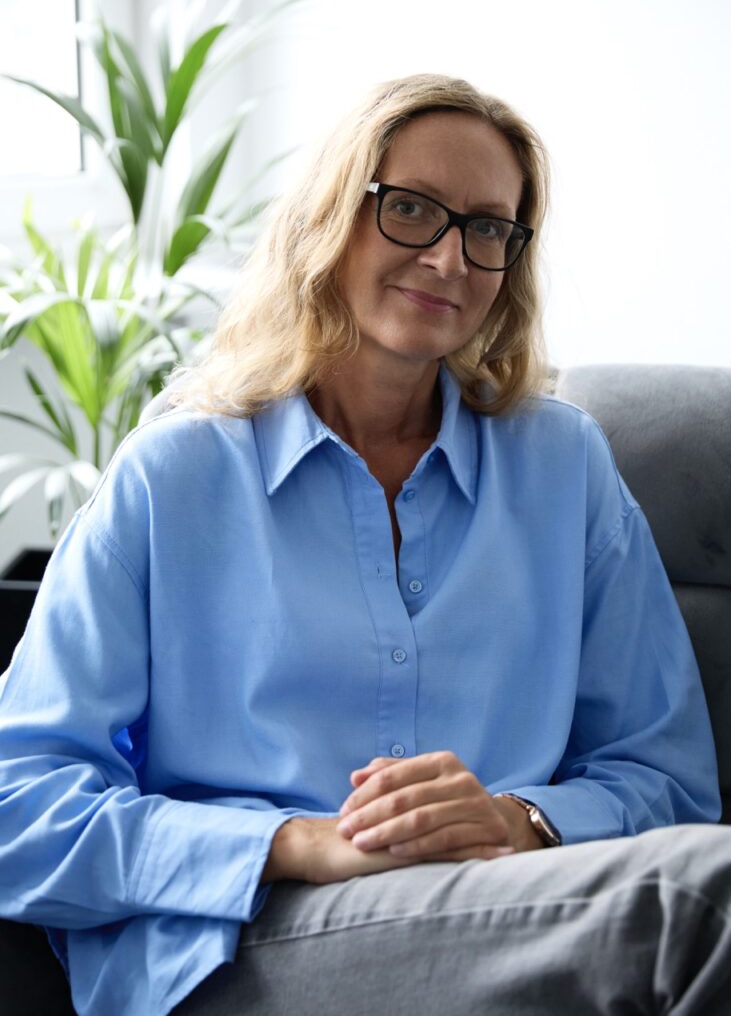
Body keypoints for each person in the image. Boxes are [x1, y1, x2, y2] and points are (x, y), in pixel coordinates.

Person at [0, 73, 728, 1016]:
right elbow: (20, 804)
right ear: (328, 219)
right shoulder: (172, 475)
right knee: (697, 901)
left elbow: (667, 778)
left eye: (487, 228)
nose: (450, 258)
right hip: (239, 936)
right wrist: (296, 844)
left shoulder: (563, 465)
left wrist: (518, 820)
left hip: (515, 912)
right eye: (410, 209)